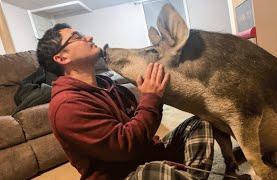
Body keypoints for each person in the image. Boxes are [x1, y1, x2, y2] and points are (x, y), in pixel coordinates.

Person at [37, 23, 215, 180]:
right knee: (154, 172)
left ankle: (187, 176)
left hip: (147, 158)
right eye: (77, 37)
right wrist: (151, 97)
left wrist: (155, 95)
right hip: (122, 174)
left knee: (199, 123)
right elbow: (126, 146)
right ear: (62, 58)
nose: (89, 37)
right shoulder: (67, 107)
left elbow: (143, 126)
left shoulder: (108, 85)